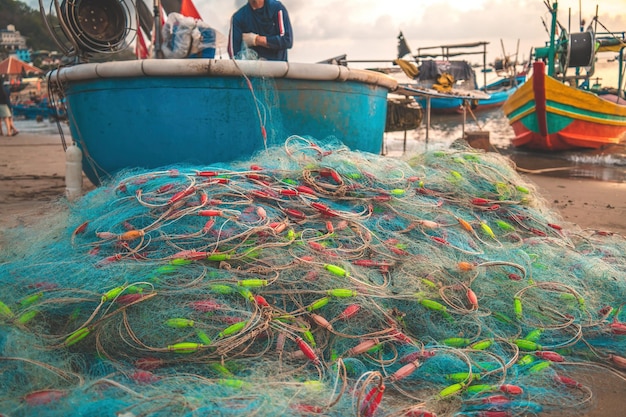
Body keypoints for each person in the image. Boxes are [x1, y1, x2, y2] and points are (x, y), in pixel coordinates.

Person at [228, 0, 293, 62]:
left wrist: (257, 40)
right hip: (252, 71)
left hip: (277, 69)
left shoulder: (276, 8)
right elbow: (233, 55)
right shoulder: (238, 18)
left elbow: (287, 40)